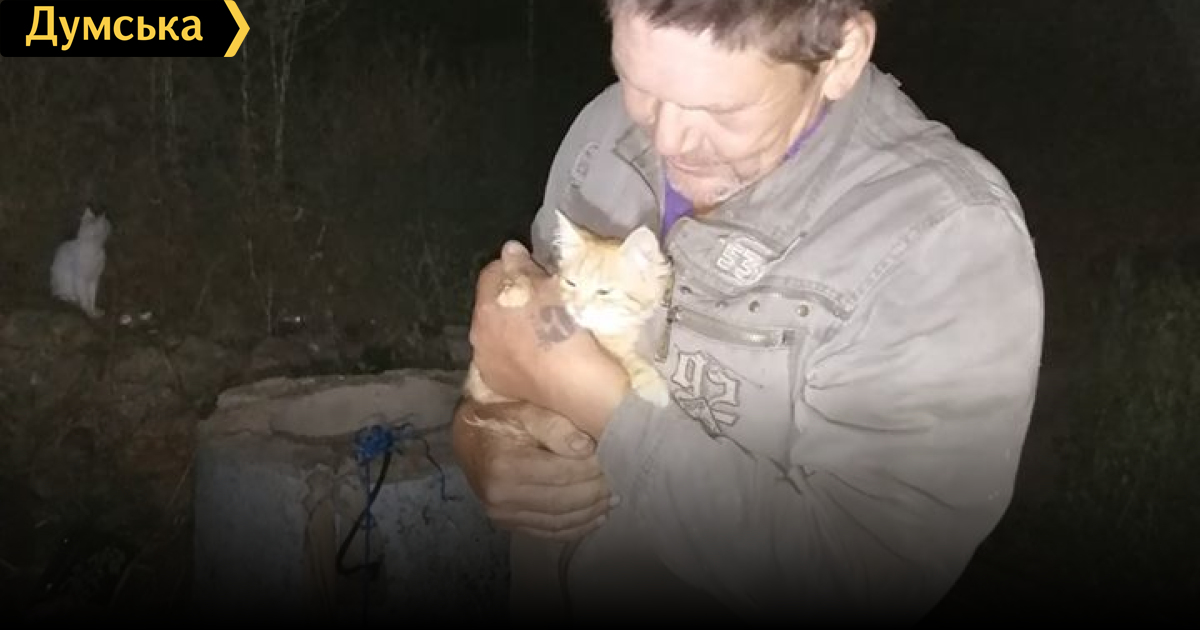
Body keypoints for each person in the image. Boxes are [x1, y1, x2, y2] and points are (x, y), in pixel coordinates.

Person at [452, 0, 1045, 625]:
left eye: (721, 110)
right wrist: (480, 434)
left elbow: (863, 577)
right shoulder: (604, 131)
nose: (666, 139)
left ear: (840, 55)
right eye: (637, 81)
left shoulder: (943, 239)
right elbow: (531, 344)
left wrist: (603, 408)